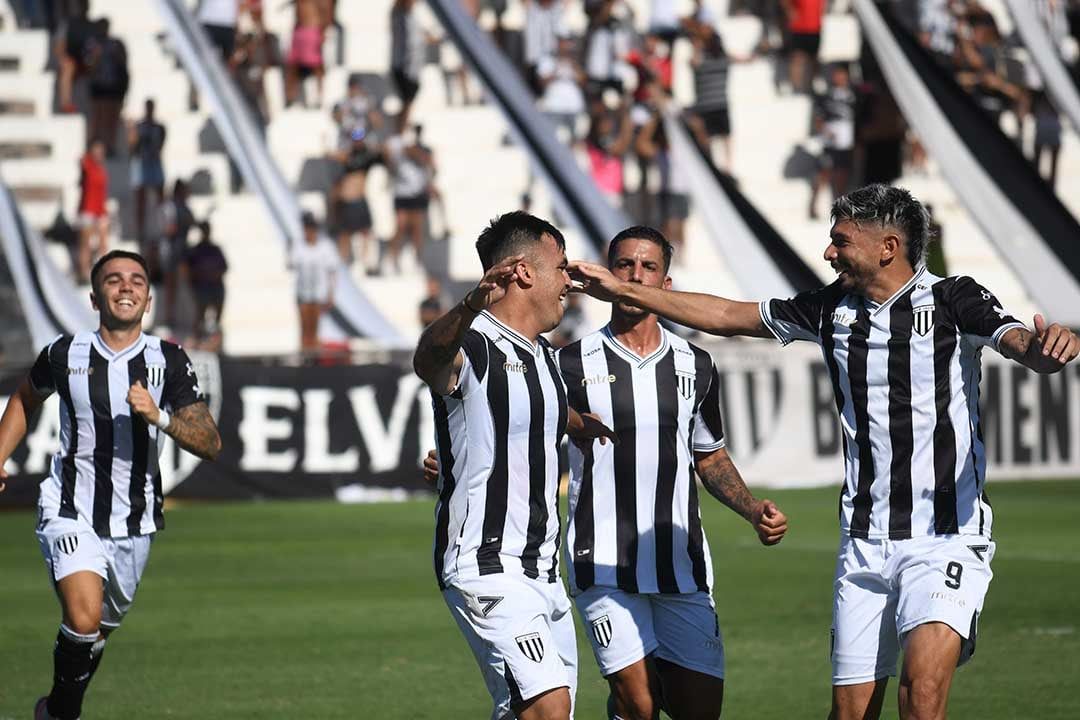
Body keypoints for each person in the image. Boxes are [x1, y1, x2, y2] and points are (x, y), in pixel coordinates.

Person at [567, 184, 1080, 720]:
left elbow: (1019, 341)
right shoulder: (829, 308)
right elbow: (724, 315)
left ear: (887, 246)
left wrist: (1046, 351)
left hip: (944, 535)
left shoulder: (954, 299)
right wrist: (626, 292)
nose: (828, 253)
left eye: (840, 241)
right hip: (863, 542)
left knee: (922, 695)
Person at [560, 226, 788, 720]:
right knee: (639, 704)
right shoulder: (569, 362)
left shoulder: (696, 364)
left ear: (665, 284)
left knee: (699, 711)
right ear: (608, 273)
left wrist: (752, 509)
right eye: (624, 265)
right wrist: (452, 458)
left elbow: (709, 455)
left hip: (681, 566)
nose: (634, 275)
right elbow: (523, 433)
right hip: (602, 562)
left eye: (647, 267)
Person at [0, 250, 221, 720]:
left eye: (137, 281)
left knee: (95, 634)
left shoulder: (170, 359)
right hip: (68, 507)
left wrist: (157, 415)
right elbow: (24, 397)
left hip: (134, 523)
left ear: (149, 299)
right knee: (81, 618)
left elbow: (210, 442)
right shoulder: (64, 354)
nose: (126, 287)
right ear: (95, 297)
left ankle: (55, 710)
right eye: (114, 280)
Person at [413, 211, 614, 720]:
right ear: (523, 271)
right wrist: (468, 305)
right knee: (549, 707)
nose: (569, 280)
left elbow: (539, 418)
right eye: (561, 266)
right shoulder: (473, 342)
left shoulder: (546, 357)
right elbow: (429, 362)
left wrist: (584, 426)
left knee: (535, 712)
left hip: (543, 573)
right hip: (486, 563)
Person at [330, 127, 382, 269]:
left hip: (359, 199)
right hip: (347, 200)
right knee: (345, 233)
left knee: (365, 232)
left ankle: (365, 262)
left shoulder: (368, 156)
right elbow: (335, 157)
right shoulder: (347, 156)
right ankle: (342, 262)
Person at [291, 211, 339, 357]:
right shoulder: (298, 245)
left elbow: (332, 271)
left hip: (319, 294)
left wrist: (331, 294)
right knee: (305, 328)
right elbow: (291, 264)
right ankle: (305, 356)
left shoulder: (326, 246)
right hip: (303, 293)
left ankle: (315, 357)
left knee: (316, 328)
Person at [185, 221, 229, 346]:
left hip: (215, 287)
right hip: (201, 288)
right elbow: (189, 271)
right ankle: (196, 342)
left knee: (217, 319)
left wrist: (213, 274)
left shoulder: (215, 250)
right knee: (200, 317)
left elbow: (224, 268)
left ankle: (216, 343)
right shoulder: (195, 251)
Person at [129, 99, 167, 242]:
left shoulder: (159, 127)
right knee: (141, 199)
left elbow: (161, 145)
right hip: (142, 164)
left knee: (160, 197)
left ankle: (163, 227)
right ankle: (140, 231)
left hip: (155, 163)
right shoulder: (139, 127)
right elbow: (133, 148)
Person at [77, 139, 109, 284]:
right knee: (86, 243)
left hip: (99, 209)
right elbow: (81, 161)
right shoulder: (87, 165)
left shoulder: (101, 169)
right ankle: (84, 272)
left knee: (103, 242)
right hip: (88, 208)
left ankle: (104, 271)